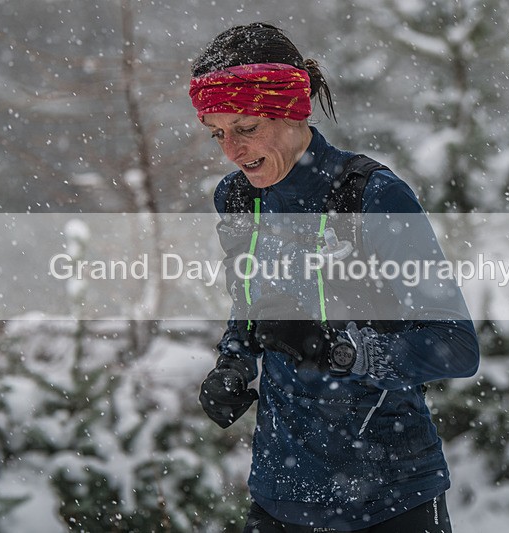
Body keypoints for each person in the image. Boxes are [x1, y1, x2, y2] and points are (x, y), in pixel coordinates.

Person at [190, 22, 480, 533]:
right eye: (218, 132)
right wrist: (234, 362)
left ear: (293, 109)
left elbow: (455, 345)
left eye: (246, 126)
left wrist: (339, 351)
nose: (230, 151)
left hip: (389, 497)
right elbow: (252, 300)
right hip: (282, 494)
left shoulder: (371, 196)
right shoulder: (237, 197)